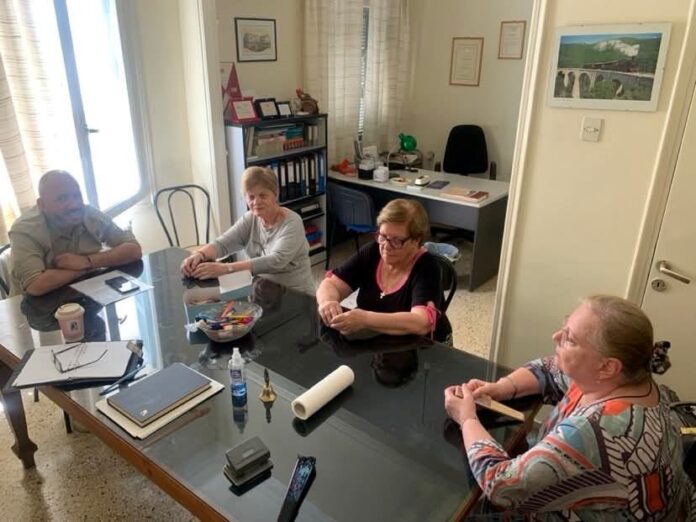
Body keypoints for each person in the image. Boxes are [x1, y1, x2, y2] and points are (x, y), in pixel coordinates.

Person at [444, 295, 695, 520]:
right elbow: (549, 369)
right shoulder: (630, 380)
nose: (556, 336)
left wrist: (466, 418)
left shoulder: (596, 432)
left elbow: (502, 486)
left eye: (569, 339)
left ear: (607, 367)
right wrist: (502, 387)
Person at [316, 198, 452, 343]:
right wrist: (327, 302)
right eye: (382, 236)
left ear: (416, 240)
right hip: (378, 339)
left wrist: (365, 319)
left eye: (396, 241)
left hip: (422, 346)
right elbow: (332, 284)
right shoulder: (372, 252)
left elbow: (421, 323)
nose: (386, 246)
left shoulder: (427, 267)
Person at [180, 166, 315, 295]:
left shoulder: (292, 222)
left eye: (263, 195)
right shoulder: (250, 219)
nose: (256, 202)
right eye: (251, 197)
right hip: (263, 291)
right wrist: (199, 254)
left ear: (275, 194)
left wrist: (226, 269)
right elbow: (223, 243)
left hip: (296, 294)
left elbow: (276, 261)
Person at [9, 170, 142, 296]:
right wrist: (86, 267)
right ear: (41, 204)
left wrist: (87, 261)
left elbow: (134, 249)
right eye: (62, 199)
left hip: (82, 292)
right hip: (32, 305)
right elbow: (36, 285)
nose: (74, 205)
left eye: (77, 196)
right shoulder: (24, 229)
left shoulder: (89, 214)